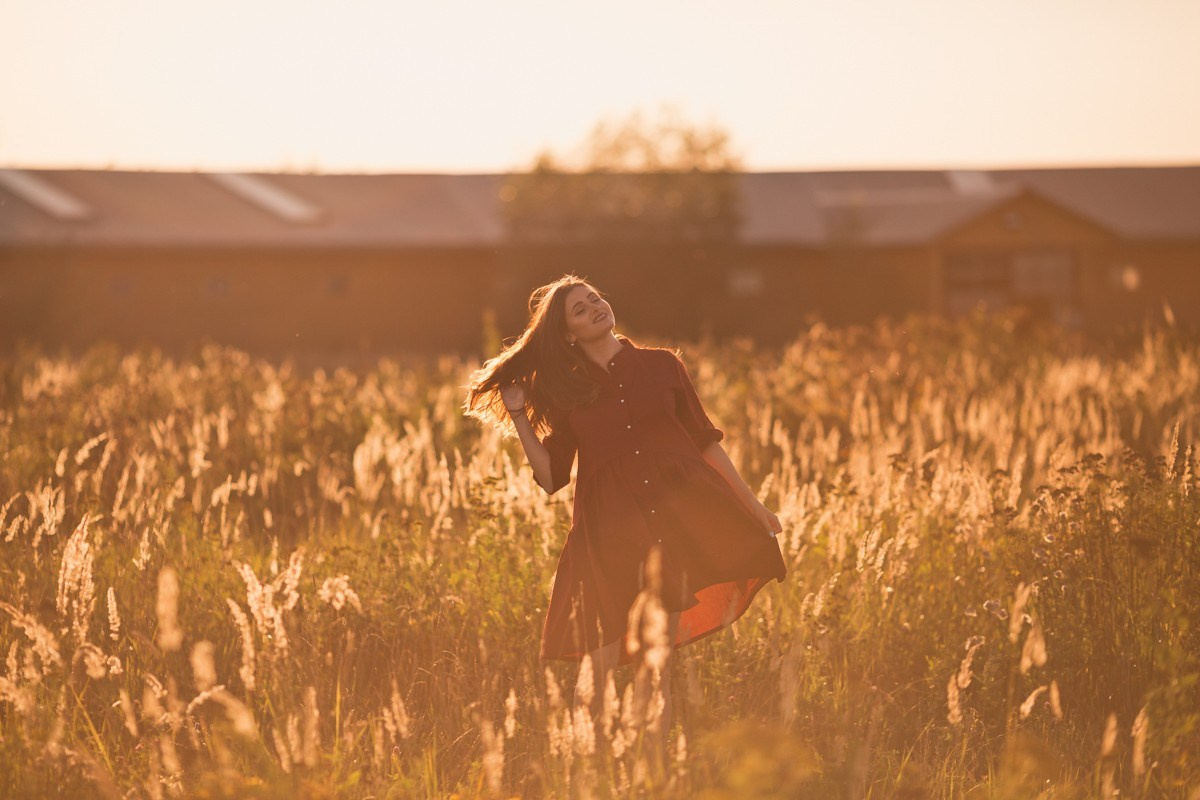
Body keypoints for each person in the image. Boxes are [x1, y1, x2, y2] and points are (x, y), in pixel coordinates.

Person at [463, 274, 787, 757]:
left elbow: (705, 443)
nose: (594, 307)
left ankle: (651, 772)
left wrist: (751, 503)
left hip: (669, 528)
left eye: (594, 298)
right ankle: (587, 770)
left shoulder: (662, 366)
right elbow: (552, 477)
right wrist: (519, 418)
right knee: (597, 662)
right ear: (568, 333)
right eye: (579, 308)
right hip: (606, 533)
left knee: (655, 664)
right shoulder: (566, 391)